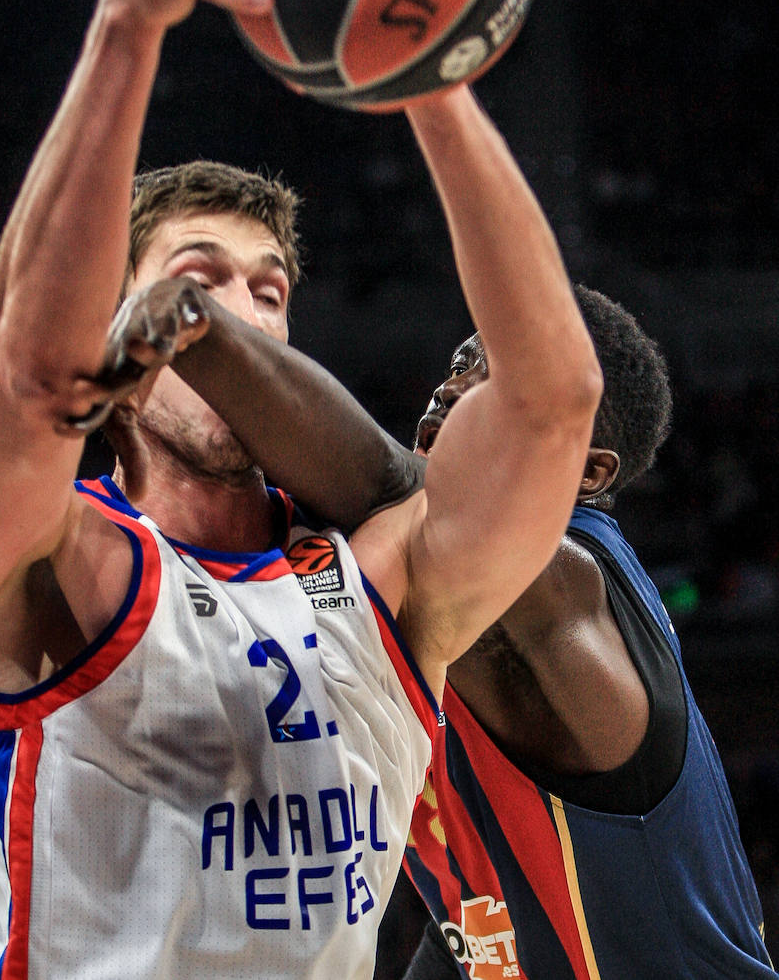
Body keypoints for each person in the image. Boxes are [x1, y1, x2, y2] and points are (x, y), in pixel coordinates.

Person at [0, 0, 602, 979]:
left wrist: (428, 73)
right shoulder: (48, 560)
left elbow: (553, 402)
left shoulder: (387, 579)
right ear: (127, 323)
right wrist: (127, 27)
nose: (240, 309)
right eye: (198, 279)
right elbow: (30, 385)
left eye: (269, 288)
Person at [103, 281, 775, 976]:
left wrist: (189, 321)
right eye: (458, 364)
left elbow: (385, 489)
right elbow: (472, 931)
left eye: (497, 380)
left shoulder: (565, 585)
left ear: (585, 469)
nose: (451, 389)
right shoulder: (420, 632)